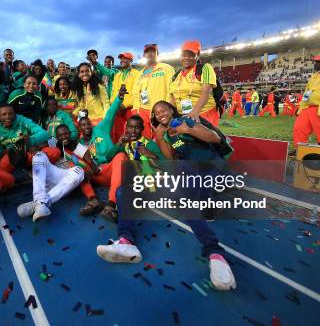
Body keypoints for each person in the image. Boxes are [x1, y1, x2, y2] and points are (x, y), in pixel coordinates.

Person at [96, 100, 237, 291]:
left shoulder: (163, 135)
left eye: (137, 128)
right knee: (124, 192)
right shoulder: (154, 137)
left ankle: (215, 254)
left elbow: (168, 162)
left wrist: (153, 154)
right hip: (149, 186)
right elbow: (109, 157)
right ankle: (126, 241)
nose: (133, 131)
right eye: (130, 127)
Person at [16, 124, 89, 222]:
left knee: (79, 171)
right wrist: (32, 145)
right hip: (51, 177)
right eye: (60, 135)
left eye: (66, 134)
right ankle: (41, 202)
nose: (64, 137)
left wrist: (90, 171)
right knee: (38, 155)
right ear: (56, 137)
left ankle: (40, 203)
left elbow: (92, 166)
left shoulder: (78, 146)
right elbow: (40, 142)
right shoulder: (52, 142)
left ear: (70, 134)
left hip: (67, 183)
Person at [77, 85, 127, 217]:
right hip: (97, 175)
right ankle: (93, 201)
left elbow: (110, 113)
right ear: (79, 128)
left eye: (88, 124)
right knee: (78, 169)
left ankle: (110, 204)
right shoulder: (80, 143)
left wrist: (119, 98)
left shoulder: (101, 129)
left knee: (121, 156)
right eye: (83, 125)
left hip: (111, 170)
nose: (87, 126)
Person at [0, 104, 60, 172]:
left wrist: (30, 141)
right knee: (4, 164)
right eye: (4, 114)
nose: (8, 117)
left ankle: (31, 168)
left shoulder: (23, 120)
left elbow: (44, 134)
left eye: (10, 114)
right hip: (14, 157)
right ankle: (31, 167)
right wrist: (9, 150)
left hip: (30, 153)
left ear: (15, 115)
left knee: (55, 152)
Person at [169, 40, 220, 126]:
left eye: (191, 55)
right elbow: (172, 100)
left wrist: (195, 111)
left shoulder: (205, 68)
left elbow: (206, 92)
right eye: (184, 55)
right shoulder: (175, 77)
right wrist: (169, 114)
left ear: (198, 55)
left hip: (204, 114)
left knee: (206, 139)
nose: (187, 58)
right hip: (183, 116)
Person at [93, 52, 139, 141]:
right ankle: (118, 148)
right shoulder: (118, 75)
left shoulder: (137, 74)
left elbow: (136, 93)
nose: (122, 60)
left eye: (125, 58)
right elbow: (114, 92)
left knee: (132, 131)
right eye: (121, 58)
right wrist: (115, 105)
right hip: (117, 108)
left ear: (131, 60)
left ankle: (132, 150)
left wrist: (124, 105)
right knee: (117, 131)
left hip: (130, 108)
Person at [131, 44, 175, 138]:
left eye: (152, 51)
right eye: (147, 52)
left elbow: (171, 90)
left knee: (163, 138)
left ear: (157, 54)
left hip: (159, 111)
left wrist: (168, 109)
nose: (150, 53)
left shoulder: (166, 68)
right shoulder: (139, 74)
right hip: (142, 111)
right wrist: (135, 111)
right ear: (144, 55)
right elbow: (135, 93)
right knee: (146, 139)